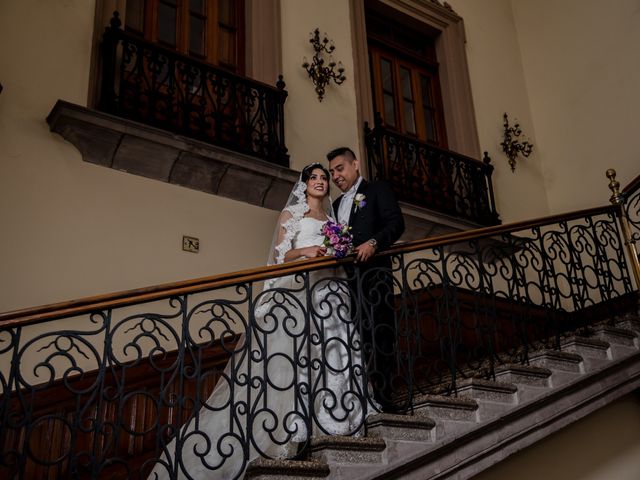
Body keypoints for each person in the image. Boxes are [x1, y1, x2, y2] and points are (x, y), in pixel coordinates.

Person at [147, 163, 376, 480]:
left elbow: (337, 252)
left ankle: (337, 420)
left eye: (325, 178)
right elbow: (282, 258)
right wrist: (307, 251)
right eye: (315, 178)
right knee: (294, 360)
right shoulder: (290, 215)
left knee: (331, 353)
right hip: (300, 291)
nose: (321, 182)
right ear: (304, 184)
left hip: (329, 292)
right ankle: (293, 430)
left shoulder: (333, 218)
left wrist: (336, 251)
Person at [327, 147, 405, 412]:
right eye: (332, 172)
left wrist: (374, 242)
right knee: (356, 338)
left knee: (380, 333)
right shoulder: (335, 205)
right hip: (347, 282)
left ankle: (384, 397)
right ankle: (361, 397)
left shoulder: (377, 190)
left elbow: (396, 224)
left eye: (340, 168)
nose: (336, 176)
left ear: (355, 164)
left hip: (375, 277)